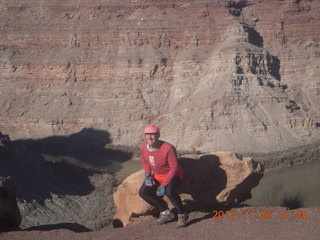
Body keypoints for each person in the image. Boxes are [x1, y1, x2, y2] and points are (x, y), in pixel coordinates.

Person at [138, 125, 188, 227]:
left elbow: (174, 168)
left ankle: (182, 215)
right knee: (144, 192)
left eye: (153, 134)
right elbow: (144, 160)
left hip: (174, 175)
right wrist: (148, 175)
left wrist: (163, 185)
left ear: (158, 135)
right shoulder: (143, 146)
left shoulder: (168, 148)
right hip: (157, 175)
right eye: (147, 135)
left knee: (169, 192)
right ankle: (166, 213)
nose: (150, 137)